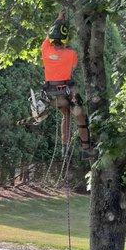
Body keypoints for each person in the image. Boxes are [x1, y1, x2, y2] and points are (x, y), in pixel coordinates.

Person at [41, 11, 95, 159]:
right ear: (64, 40)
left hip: (51, 94)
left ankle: (64, 147)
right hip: (67, 92)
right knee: (79, 116)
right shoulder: (71, 54)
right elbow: (74, 66)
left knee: (65, 115)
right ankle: (86, 148)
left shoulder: (45, 49)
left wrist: (59, 19)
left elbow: (49, 34)